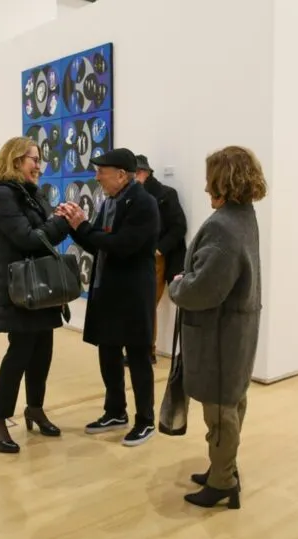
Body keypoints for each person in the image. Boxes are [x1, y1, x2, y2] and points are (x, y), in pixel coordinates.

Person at [167, 145, 267, 510]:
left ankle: (223, 481)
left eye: (211, 179)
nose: (206, 186)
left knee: (220, 412)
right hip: (235, 330)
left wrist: (179, 283)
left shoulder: (224, 226)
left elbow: (205, 289)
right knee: (231, 402)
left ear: (222, 182)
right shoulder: (243, 216)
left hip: (220, 335)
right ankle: (222, 469)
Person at [55, 148, 160, 447]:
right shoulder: (111, 202)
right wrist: (76, 226)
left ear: (121, 175)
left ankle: (146, 420)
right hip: (109, 290)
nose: (97, 176)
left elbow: (122, 245)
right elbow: (97, 242)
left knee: (137, 356)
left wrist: (85, 227)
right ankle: (115, 411)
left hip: (133, 293)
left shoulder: (144, 204)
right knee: (108, 351)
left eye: (102, 170)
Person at [0, 136, 72, 454]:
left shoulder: (32, 194)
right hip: (20, 286)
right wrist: (59, 222)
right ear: (16, 160)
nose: (39, 165)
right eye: (34, 159)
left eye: (39, 159)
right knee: (19, 353)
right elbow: (28, 239)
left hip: (40, 285)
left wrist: (59, 218)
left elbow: (45, 231)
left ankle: (35, 407)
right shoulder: (2, 195)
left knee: (42, 351)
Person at [134, 154, 187, 364]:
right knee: (141, 304)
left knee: (145, 304)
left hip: (154, 258)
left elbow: (178, 227)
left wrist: (159, 249)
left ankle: (147, 351)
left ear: (142, 173)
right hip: (141, 256)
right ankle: (143, 349)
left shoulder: (165, 194)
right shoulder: (136, 196)